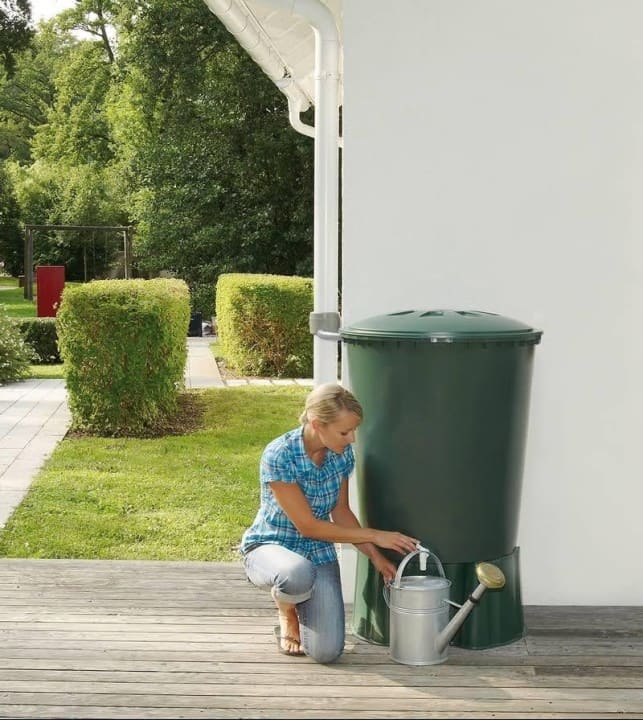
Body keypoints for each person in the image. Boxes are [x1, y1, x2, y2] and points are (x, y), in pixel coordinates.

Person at [240, 382, 419, 663]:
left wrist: (375, 557)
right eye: (345, 432)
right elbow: (308, 526)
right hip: (271, 546)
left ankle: (300, 600)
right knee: (296, 574)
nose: (353, 440)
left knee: (326, 652)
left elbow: (342, 513)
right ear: (317, 424)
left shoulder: (340, 454)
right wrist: (376, 535)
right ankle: (287, 609)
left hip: (318, 551)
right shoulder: (280, 455)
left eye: (354, 430)